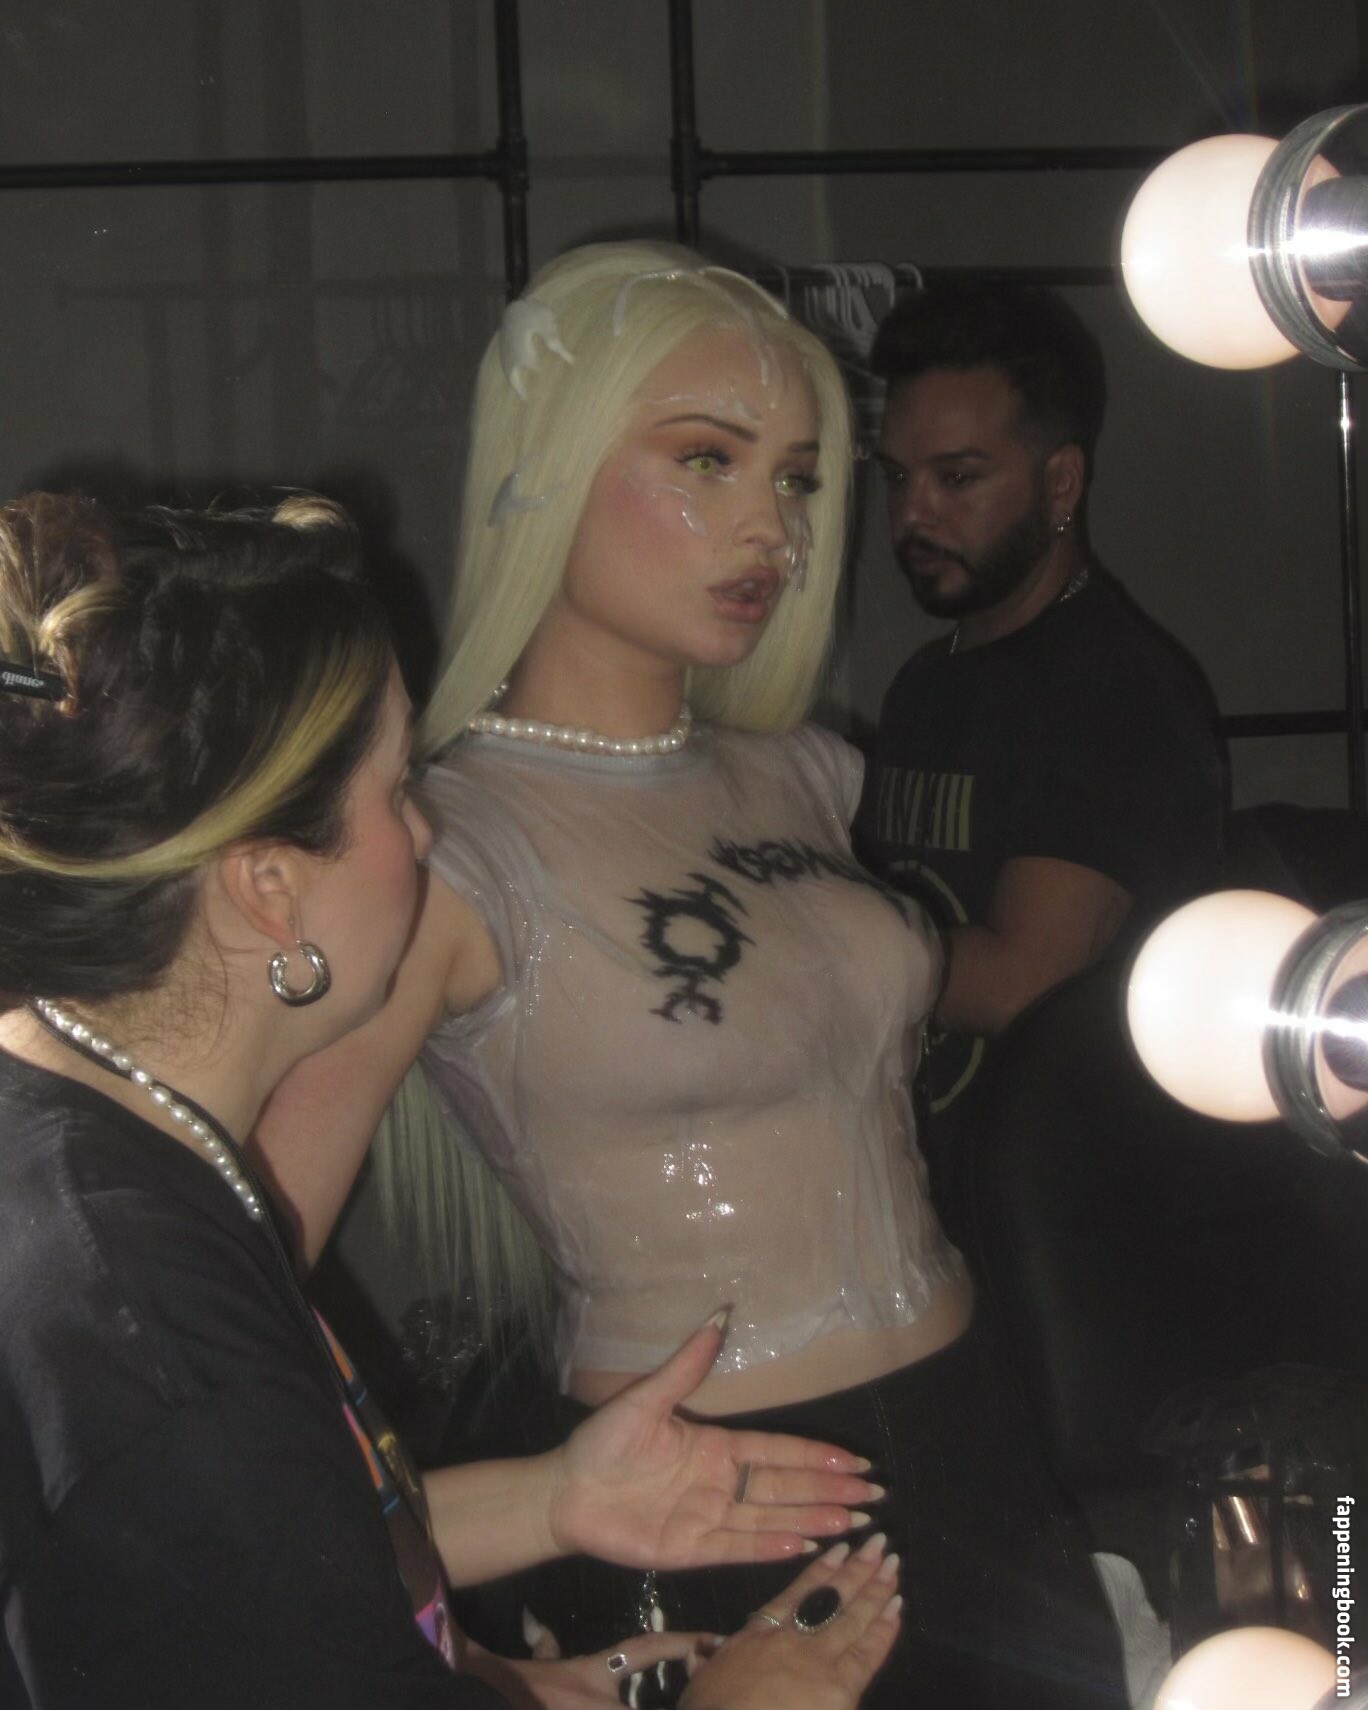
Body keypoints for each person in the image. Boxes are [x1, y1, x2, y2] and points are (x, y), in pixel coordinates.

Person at [259, 242, 1130, 1709]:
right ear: (544, 470)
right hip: (713, 1496)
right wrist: (437, 1615)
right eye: (706, 460)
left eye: (796, 478)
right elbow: (230, 1280)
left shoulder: (810, 772)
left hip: (976, 1428)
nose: (770, 528)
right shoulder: (448, 846)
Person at [0, 489, 902, 1710]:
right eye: (395, 792)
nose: (423, 837)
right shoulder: (152, 1339)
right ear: (271, 890)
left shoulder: (89, 1130)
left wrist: (552, 1510)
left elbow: (261, 1580)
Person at [851, 281, 1225, 1235]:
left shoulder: (1116, 688)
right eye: (896, 477)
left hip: (1076, 1235)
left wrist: (791, 938)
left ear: (1060, 483)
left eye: (957, 478)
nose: (912, 514)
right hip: (929, 1214)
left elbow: (1027, 985)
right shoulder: (925, 682)